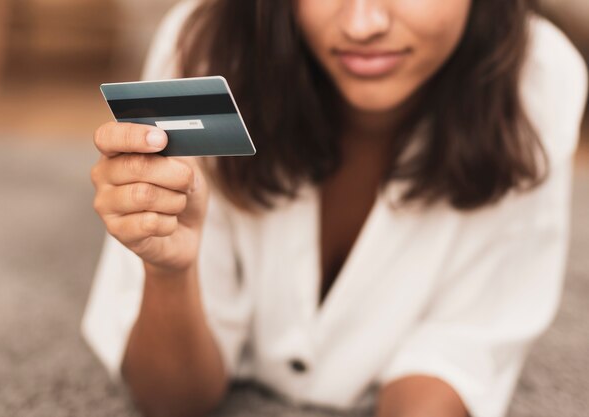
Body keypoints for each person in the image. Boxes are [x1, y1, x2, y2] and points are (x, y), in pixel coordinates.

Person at [81, 0, 588, 416]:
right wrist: (169, 271)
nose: (363, 23)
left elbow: (459, 352)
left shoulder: (538, 79)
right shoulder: (203, 46)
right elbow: (173, 402)